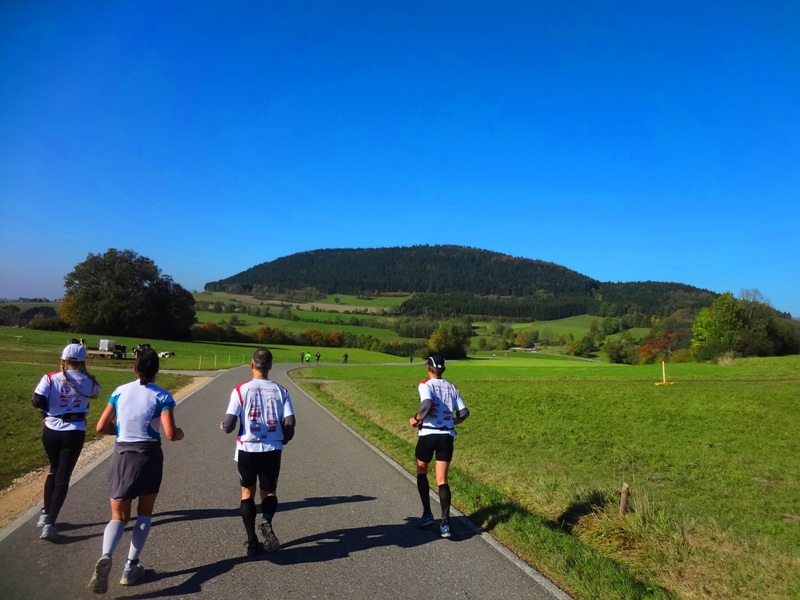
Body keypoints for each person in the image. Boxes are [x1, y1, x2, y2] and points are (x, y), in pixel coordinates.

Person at [88, 347, 184, 594]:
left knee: (118, 516)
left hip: (122, 455)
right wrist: (180, 433)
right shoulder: (163, 396)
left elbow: (101, 426)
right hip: (148, 456)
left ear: (134, 368)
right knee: (144, 513)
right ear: (157, 370)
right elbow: (170, 433)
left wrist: (119, 431)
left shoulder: (119, 391)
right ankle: (130, 567)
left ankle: (107, 554)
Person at [220, 348, 296, 557]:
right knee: (269, 492)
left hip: (247, 448)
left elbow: (228, 423)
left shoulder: (240, 390)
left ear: (252, 365)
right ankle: (266, 520)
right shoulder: (282, 391)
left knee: (247, 493)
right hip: (272, 449)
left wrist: (224, 427)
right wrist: (284, 439)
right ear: (270, 366)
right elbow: (289, 423)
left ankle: (252, 541)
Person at [31, 342, 102, 541]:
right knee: (63, 477)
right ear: (82, 361)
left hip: (51, 430)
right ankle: (50, 524)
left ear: (63, 359)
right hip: (74, 431)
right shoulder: (90, 381)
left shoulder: (50, 378)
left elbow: (37, 401)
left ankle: (45, 514)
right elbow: (97, 393)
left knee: (53, 470)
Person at [409, 355, 470, 538]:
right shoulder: (452, 387)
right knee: (442, 479)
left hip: (428, 434)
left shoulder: (425, 385)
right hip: (446, 436)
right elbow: (464, 412)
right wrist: (452, 422)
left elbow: (427, 404)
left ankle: (427, 514)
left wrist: (416, 419)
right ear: (443, 370)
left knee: (422, 471)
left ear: (429, 369)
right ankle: (445, 522)